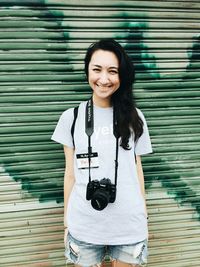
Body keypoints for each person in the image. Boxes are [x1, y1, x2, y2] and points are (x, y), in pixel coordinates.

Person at [51, 39, 152, 267]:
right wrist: (67, 222)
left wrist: (143, 212)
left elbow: (136, 167)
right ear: (87, 69)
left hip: (129, 225)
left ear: (122, 76)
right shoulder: (72, 117)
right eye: (97, 69)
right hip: (85, 226)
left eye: (112, 71)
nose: (104, 79)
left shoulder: (135, 117)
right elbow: (70, 174)